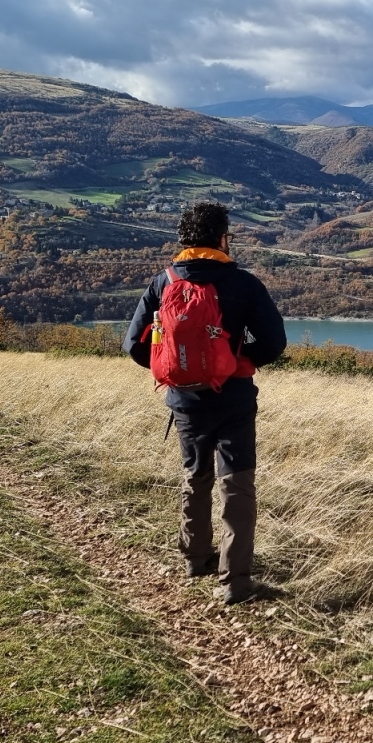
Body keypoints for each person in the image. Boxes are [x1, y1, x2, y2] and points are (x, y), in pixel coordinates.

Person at [124, 202, 287, 604]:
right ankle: (235, 582)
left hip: (185, 401)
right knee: (237, 483)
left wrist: (175, 368)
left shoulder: (163, 284)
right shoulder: (244, 284)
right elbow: (274, 343)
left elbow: (133, 345)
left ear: (183, 240)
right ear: (222, 238)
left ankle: (196, 559)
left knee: (195, 475)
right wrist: (239, 357)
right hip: (233, 397)